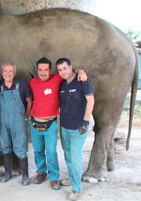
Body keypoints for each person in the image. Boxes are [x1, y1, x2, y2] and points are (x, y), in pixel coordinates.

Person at [29, 57, 87, 190]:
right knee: (38, 151)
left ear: (50, 70)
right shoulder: (32, 82)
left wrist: (81, 72)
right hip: (34, 123)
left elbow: (72, 71)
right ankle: (41, 173)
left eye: (45, 70)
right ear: (37, 70)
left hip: (51, 124)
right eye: (40, 70)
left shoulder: (57, 79)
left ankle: (54, 177)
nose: (43, 73)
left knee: (51, 151)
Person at [56, 58, 94, 200]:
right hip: (65, 125)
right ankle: (72, 178)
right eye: (60, 70)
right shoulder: (62, 84)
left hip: (79, 127)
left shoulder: (82, 81)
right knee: (67, 155)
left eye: (65, 69)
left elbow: (91, 100)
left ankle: (76, 188)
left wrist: (85, 121)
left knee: (75, 157)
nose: (63, 72)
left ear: (71, 67)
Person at [0, 62, 32, 186]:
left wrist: (26, 117)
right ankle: (8, 173)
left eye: (10, 71)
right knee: (4, 146)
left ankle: (25, 176)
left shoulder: (21, 85)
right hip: (3, 121)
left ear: (14, 73)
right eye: (5, 71)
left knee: (20, 147)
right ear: (2, 73)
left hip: (18, 121)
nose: (8, 74)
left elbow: (29, 102)